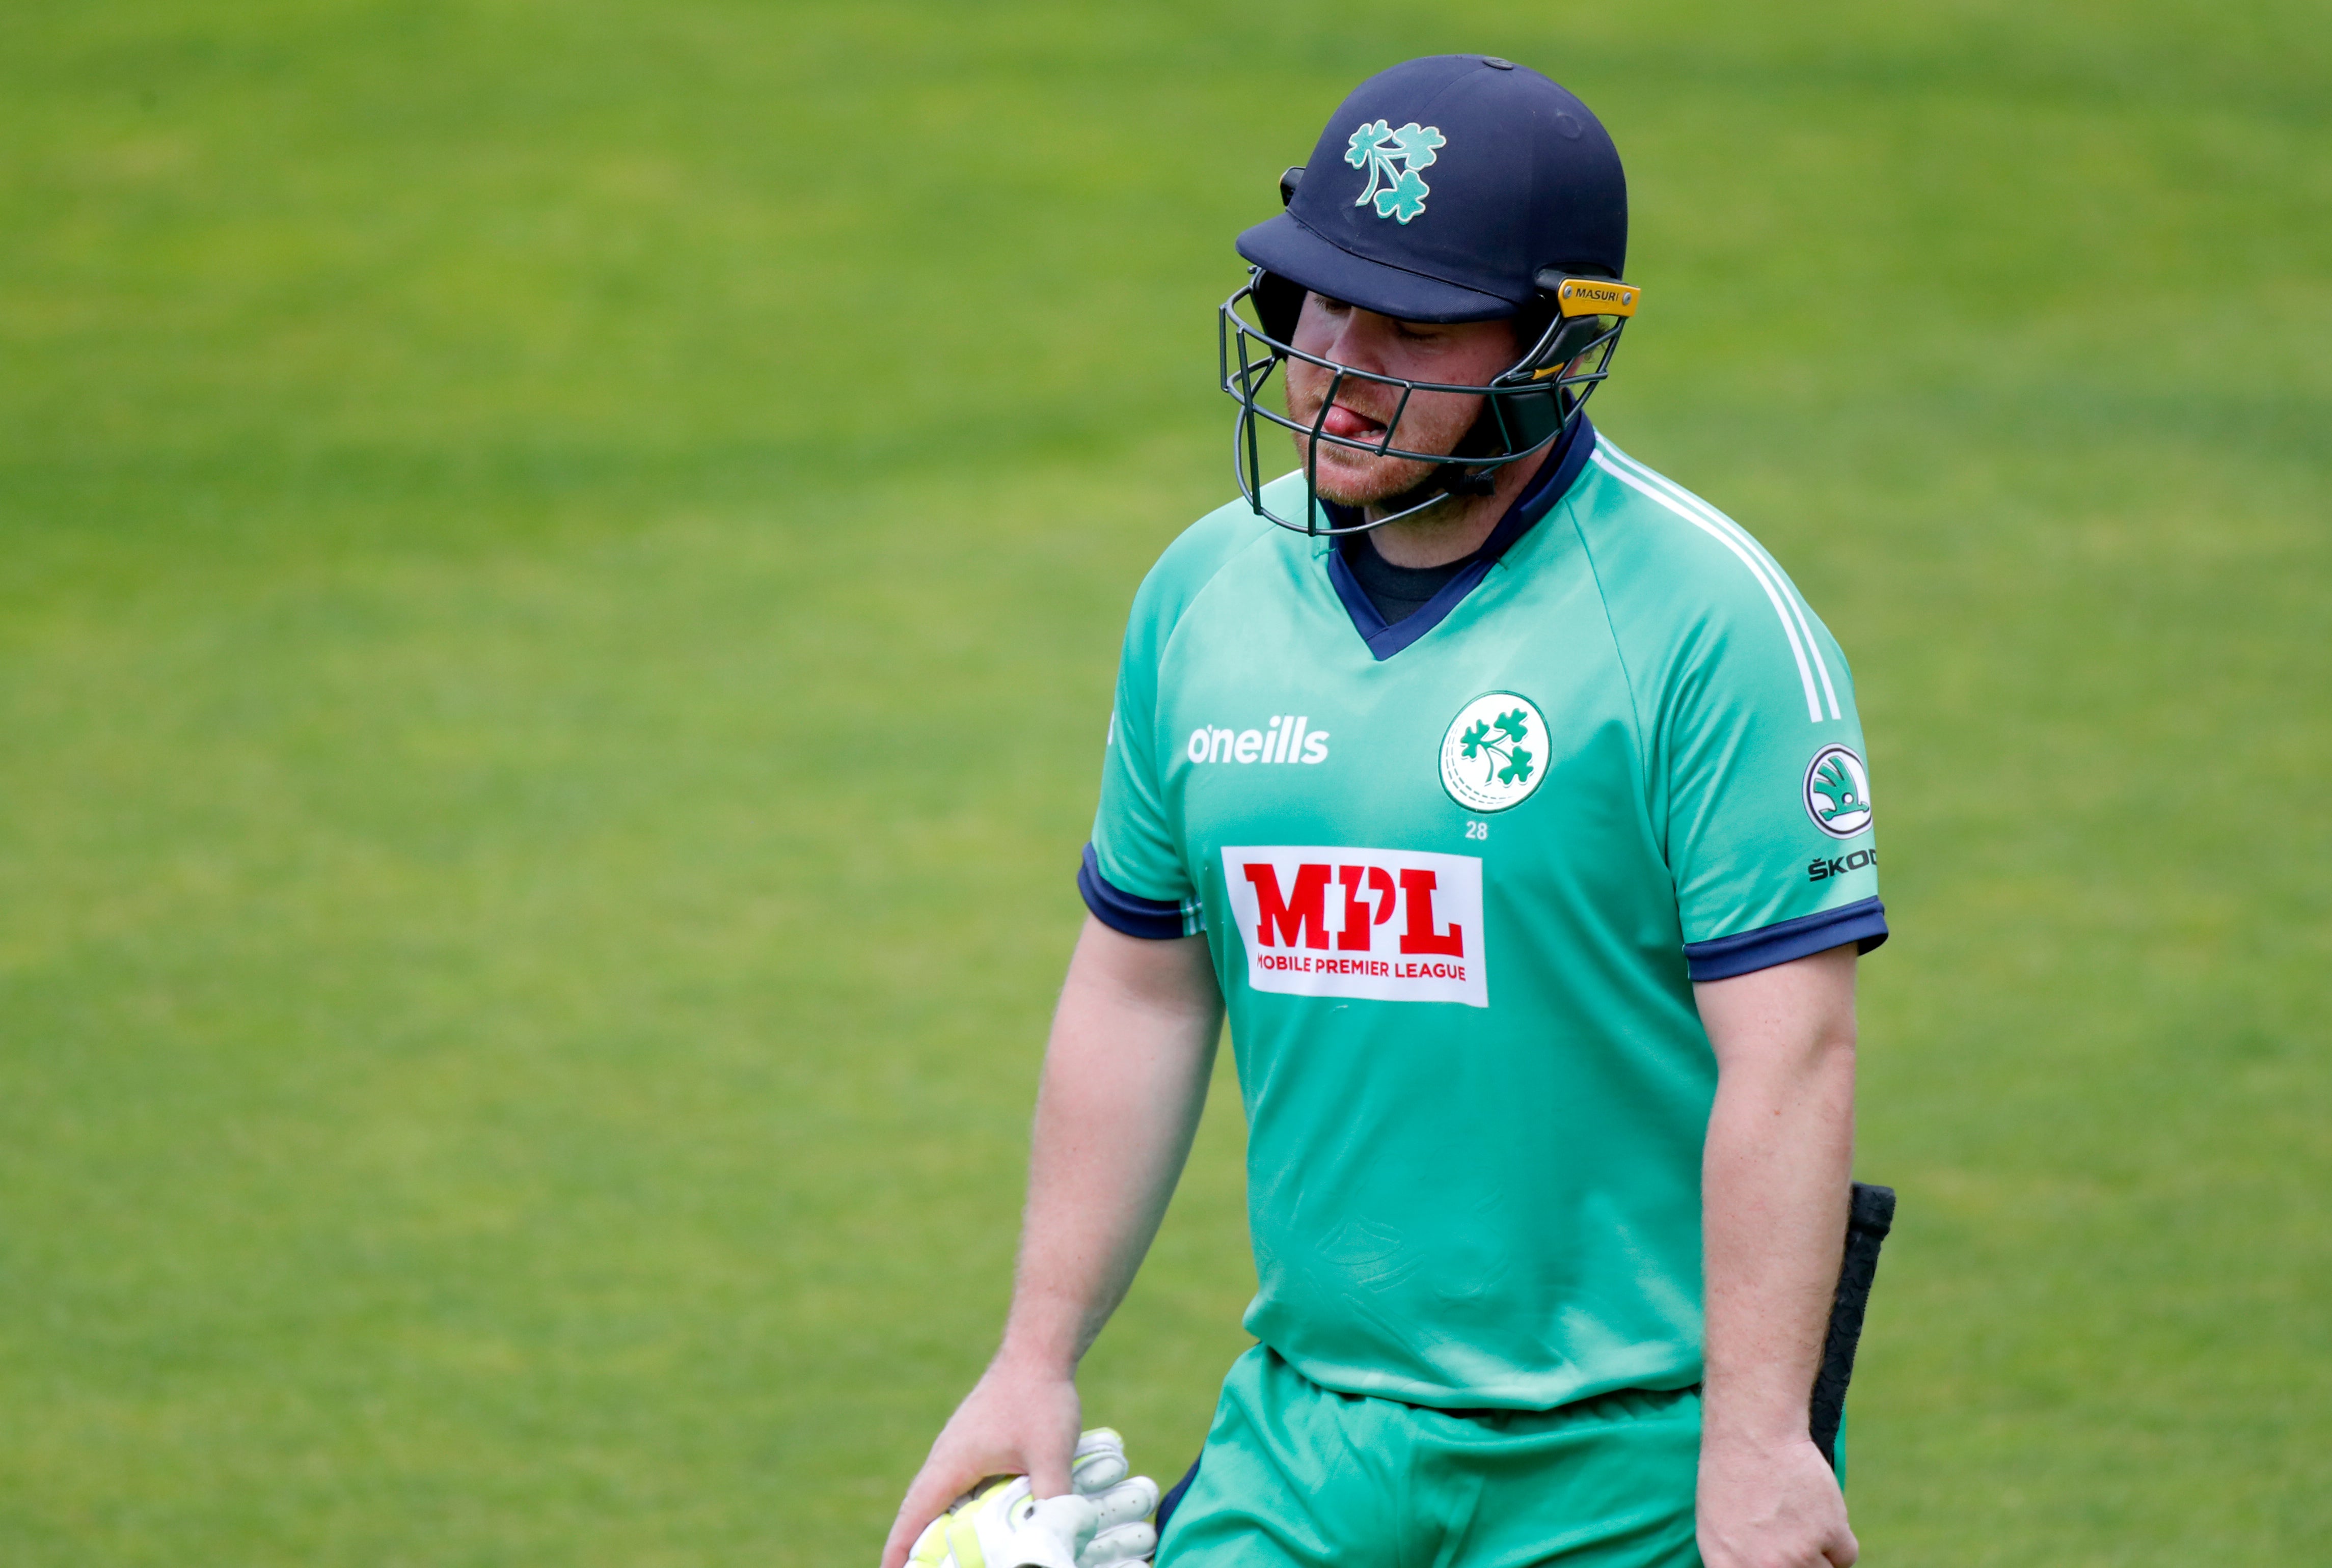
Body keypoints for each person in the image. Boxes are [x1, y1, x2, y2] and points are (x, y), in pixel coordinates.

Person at [882, 53, 1885, 1568]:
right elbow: (1142, 984)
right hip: (1311, 1439)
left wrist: (1755, 1446)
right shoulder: (1203, 594)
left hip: (1635, 1460)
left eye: (1409, 323)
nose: (1332, 361)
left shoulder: (1706, 623)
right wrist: (1032, 1353)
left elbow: (1790, 1055)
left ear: (1553, 346)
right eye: (1310, 301)